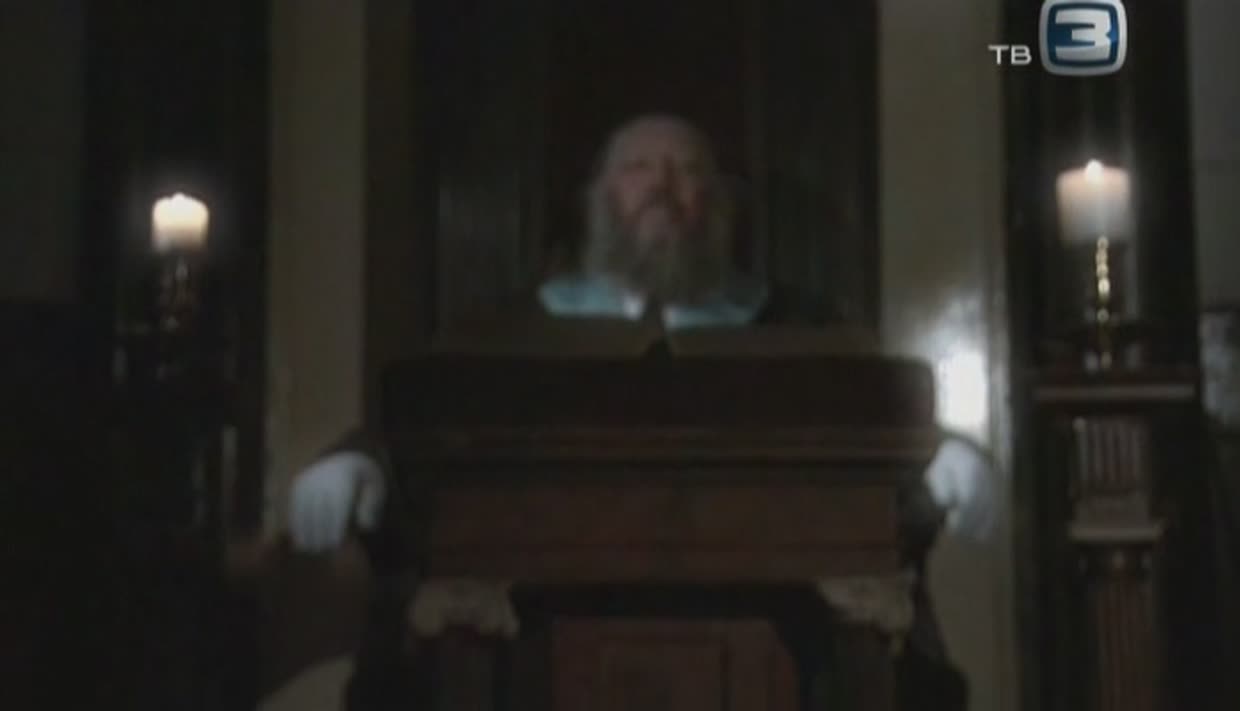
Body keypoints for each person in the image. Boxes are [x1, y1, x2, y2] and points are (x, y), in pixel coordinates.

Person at [285, 114, 994, 711]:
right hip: (536, 643)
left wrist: (939, 454)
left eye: (688, 171)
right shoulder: (509, 329)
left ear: (718, 202)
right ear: (598, 199)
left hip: (774, 637)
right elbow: (423, 426)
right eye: (638, 169)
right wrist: (358, 461)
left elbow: (870, 429)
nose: (663, 186)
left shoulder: (801, 324)